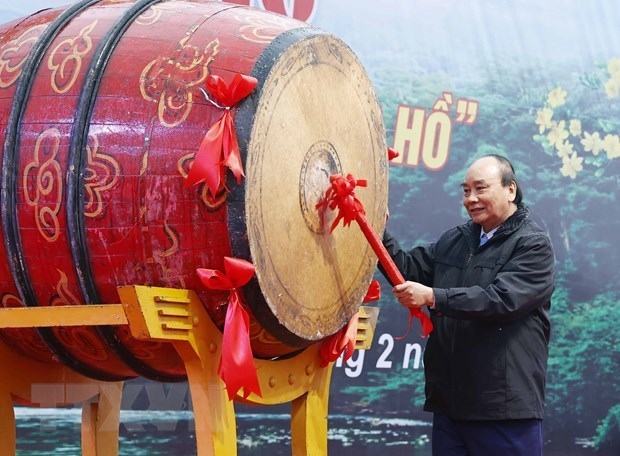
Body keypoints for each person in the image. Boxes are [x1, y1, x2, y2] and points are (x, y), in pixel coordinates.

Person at [381, 154, 555, 456]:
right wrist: (376, 232)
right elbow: (407, 269)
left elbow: (501, 299)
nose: (471, 199)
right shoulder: (456, 239)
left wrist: (434, 296)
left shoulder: (533, 245)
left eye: (481, 189)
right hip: (451, 406)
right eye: (466, 191)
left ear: (510, 190)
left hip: (503, 410)